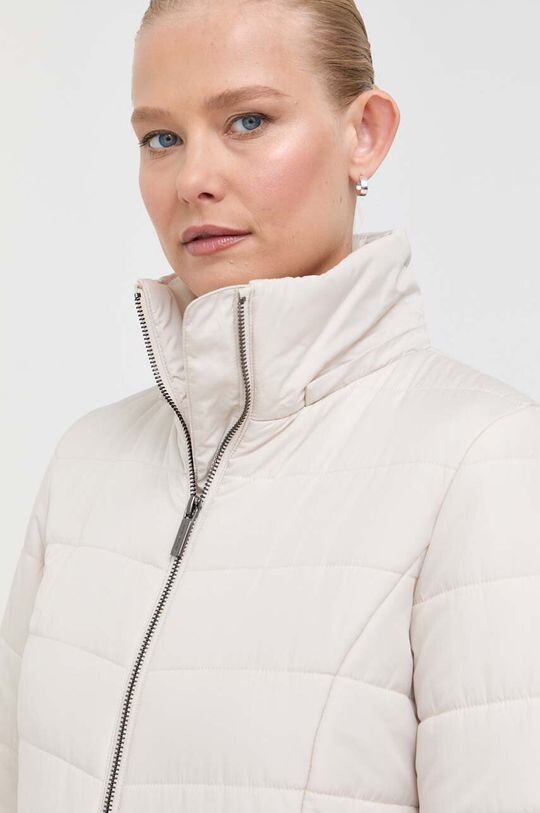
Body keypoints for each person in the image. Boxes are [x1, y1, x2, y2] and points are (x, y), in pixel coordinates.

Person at [1, 1, 539, 810]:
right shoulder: (87, 463)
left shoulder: (483, 461)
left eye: (247, 121)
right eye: (161, 138)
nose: (193, 178)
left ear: (365, 134)